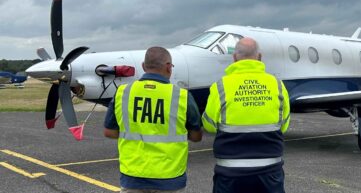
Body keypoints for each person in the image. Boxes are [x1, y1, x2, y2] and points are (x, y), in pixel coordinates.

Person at [104, 46, 203, 193]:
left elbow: (109, 132)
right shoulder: (182, 96)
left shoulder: (123, 92)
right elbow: (196, 136)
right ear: (169, 67)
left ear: (143, 66)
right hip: (170, 178)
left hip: (133, 176)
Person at [202, 37, 291, 193]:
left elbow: (209, 125)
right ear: (260, 57)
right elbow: (284, 125)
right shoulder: (277, 84)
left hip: (230, 173)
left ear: (234, 58)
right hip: (269, 171)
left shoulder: (221, 86)